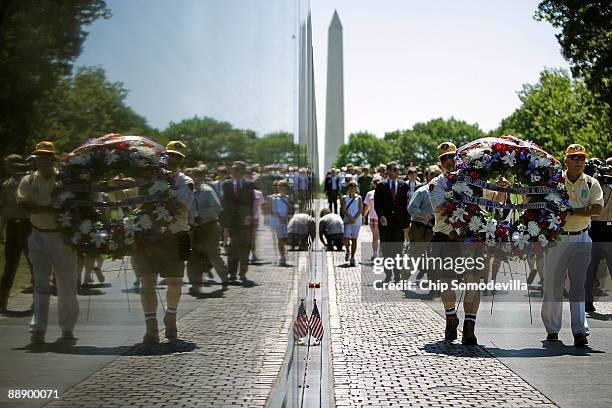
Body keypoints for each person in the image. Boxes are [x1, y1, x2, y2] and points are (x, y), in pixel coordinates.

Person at [131, 141, 194, 344]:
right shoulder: (148, 177)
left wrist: (158, 197)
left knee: (174, 283)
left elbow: (182, 205)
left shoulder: (186, 181)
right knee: (147, 282)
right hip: (148, 236)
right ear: (163, 156)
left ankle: (171, 317)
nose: (173, 160)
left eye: (178, 157)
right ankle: (151, 326)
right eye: (170, 155)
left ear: (182, 161)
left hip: (175, 237)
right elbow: (132, 197)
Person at [541, 144, 603, 347]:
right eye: (574, 157)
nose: (578, 161)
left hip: (582, 237)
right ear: (566, 160)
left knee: (578, 286)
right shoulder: (556, 181)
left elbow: (597, 208)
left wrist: (570, 211)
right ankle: (552, 330)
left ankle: (579, 331)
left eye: (582, 158)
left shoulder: (592, 182)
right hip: (557, 239)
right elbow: (544, 205)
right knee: (553, 285)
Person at [17, 141, 79, 344]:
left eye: (46, 156)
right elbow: (24, 206)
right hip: (37, 234)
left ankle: (67, 328)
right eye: (39, 157)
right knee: (40, 284)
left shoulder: (64, 180)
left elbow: (71, 206)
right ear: (35, 159)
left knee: (66, 285)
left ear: (53, 159)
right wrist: (53, 208)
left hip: (62, 236)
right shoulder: (28, 179)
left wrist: (42, 207)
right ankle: (38, 329)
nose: (43, 160)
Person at [429, 142, 481, 345]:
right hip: (446, 238)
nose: (449, 161)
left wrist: (501, 189)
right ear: (440, 163)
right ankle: (451, 317)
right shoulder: (436, 183)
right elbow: (440, 208)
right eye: (444, 158)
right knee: (447, 284)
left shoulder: (473, 180)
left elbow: (491, 200)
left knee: (473, 281)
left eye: (452, 156)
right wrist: (460, 195)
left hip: (469, 238)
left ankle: (469, 327)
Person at [0, 154, 33, 312]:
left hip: (28, 225)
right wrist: (1, 230)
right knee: (10, 265)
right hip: (12, 226)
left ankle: (38, 298)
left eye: (9, 164)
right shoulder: (6, 184)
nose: (7, 167)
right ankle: (2, 301)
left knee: (34, 263)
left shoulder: (29, 181)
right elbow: (4, 210)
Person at [187, 167, 228, 292]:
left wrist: (203, 214)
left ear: (199, 177)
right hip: (192, 228)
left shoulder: (207, 191)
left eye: (193, 176)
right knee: (192, 256)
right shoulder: (186, 192)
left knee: (212, 254)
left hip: (208, 226)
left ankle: (225, 277)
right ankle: (195, 284)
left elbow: (217, 208)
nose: (190, 179)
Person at [374, 161, 410, 282]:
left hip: (399, 224)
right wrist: (381, 216)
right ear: (388, 172)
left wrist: (406, 224)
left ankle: (397, 274)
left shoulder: (404, 185)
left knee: (398, 250)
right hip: (385, 223)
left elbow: (406, 205)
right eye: (394, 169)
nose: (397, 171)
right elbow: (377, 204)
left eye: (398, 169)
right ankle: (388, 274)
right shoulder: (381, 185)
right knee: (386, 249)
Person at [585, 157, 612, 313]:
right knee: (591, 268)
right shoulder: (597, 182)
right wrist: (600, 179)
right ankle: (588, 302)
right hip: (596, 228)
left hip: (610, 230)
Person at [221, 161, 255, 283]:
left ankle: (243, 273)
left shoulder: (250, 184)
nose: (234, 171)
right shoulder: (227, 184)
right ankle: (232, 274)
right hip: (232, 222)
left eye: (237, 169)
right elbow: (225, 203)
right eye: (233, 169)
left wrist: (249, 216)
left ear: (243, 171)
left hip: (245, 221)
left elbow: (251, 202)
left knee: (245, 248)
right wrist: (225, 223)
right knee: (232, 249)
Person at [268, 180, 291, 266]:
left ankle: (283, 254)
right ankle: (282, 257)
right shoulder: (273, 198)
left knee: (285, 239)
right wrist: (280, 217)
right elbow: (271, 211)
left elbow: (291, 210)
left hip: (286, 222)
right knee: (281, 239)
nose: (281, 188)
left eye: (283, 186)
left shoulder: (288, 198)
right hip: (278, 222)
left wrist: (287, 217)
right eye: (279, 186)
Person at [342, 181, 363, 266]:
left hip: (356, 221)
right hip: (347, 220)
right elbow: (343, 209)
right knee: (346, 238)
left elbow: (360, 209)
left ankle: (353, 257)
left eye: (354, 187)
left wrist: (354, 218)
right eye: (351, 187)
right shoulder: (344, 198)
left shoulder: (359, 198)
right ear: (348, 188)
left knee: (354, 239)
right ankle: (348, 250)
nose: (352, 189)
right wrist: (350, 217)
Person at [362, 176, 382, 261]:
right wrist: (363, 216)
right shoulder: (370, 194)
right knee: (375, 236)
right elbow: (367, 206)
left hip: (383, 218)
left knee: (383, 237)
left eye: (378, 181)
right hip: (373, 218)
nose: (376, 183)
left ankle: (381, 253)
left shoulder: (385, 192)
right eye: (375, 182)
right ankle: (375, 253)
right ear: (373, 183)